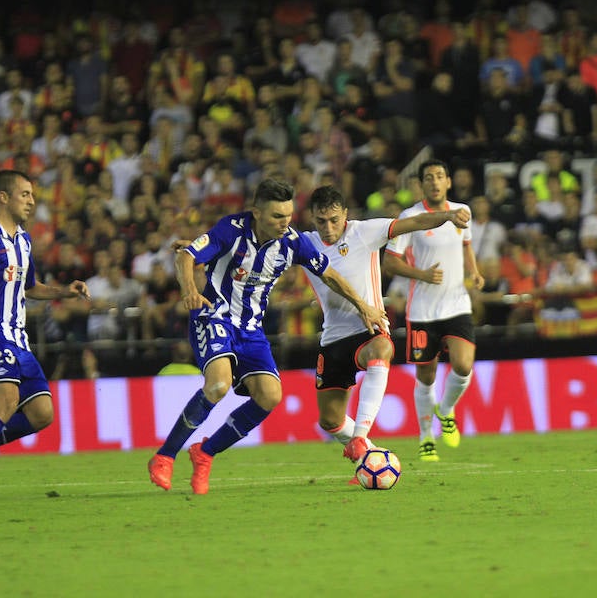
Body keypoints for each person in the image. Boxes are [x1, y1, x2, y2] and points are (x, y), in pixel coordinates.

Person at [147, 178, 388, 494]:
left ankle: (205, 453)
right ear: (256, 212)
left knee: (270, 396)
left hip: (252, 330)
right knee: (218, 384)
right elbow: (186, 256)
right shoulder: (231, 229)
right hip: (214, 316)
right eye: (277, 216)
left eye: (288, 216)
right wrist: (190, 290)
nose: (284, 223)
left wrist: (364, 306)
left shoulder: (293, 242)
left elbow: (329, 274)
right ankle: (164, 456)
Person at [300, 185, 469, 472]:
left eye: (334, 220)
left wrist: (449, 216)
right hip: (332, 338)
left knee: (382, 348)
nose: (328, 228)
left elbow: (413, 223)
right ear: (312, 218)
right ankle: (369, 452)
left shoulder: (364, 232)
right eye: (320, 221)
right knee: (330, 420)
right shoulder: (304, 243)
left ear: (345, 215)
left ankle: (361, 436)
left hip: (370, 327)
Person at [0, 170, 90, 503]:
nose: (32, 201)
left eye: (32, 195)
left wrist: (64, 292)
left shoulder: (24, 240)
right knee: (6, 403)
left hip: (19, 340)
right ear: (3, 197)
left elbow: (30, 287)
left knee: (42, 414)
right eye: (25, 194)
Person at [382, 159, 484, 462]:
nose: (435, 182)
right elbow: (390, 262)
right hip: (423, 310)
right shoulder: (410, 217)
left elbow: (466, 244)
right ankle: (426, 437)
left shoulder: (462, 212)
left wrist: (474, 272)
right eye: (429, 177)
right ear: (421, 184)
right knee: (426, 376)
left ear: (449, 182)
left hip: (457, 303)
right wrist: (421, 274)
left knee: (464, 365)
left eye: (440, 176)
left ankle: (447, 409)